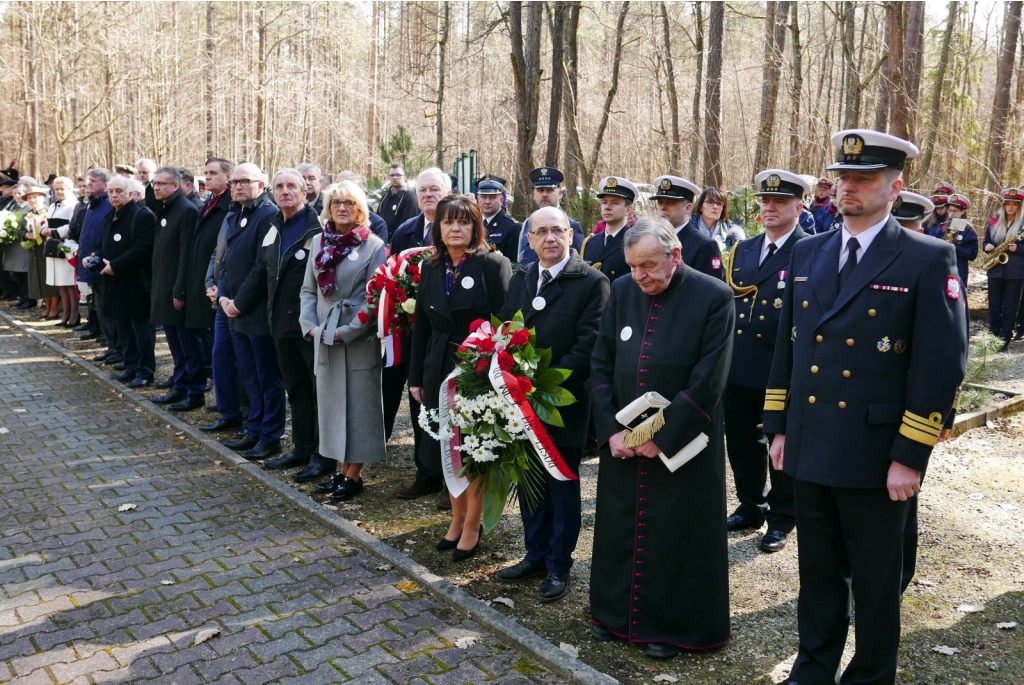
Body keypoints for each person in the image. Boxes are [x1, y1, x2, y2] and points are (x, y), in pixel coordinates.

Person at [764, 129, 968, 685]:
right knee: (818, 571)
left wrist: (911, 454)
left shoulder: (927, 256)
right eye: (841, 177)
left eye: (863, 178)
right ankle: (814, 665)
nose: (847, 187)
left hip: (876, 452)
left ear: (894, 186)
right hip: (809, 438)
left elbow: (940, 365)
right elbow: (790, 345)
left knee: (877, 581)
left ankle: (871, 675)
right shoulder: (809, 250)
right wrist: (778, 427)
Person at [588, 218, 734, 659]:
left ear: (675, 256)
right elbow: (600, 362)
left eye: (648, 265)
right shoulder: (623, 291)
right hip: (624, 445)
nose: (639, 276)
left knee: (676, 534)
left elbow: (710, 378)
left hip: (684, 446)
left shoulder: (714, 296)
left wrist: (661, 435)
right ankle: (614, 615)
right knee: (619, 526)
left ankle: (672, 628)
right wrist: (612, 430)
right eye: (632, 266)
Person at [495, 206, 609, 601]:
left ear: (572, 235)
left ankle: (560, 564)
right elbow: (508, 329)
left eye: (558, 230)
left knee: (561, 483)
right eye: (541, 232)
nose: (550, 239)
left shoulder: (592, 282)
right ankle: (535, 553)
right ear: (529, 239)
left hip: (563, 404)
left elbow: (588, 345)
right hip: (522, 403)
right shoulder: (523, 279)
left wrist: (542, 385)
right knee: (530, 480)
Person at [409, 195, 511, 561]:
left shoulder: (492, 265)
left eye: (464, 222)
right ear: (438, 227)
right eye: (448, 221)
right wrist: (416, 377)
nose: (455, 228)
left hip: (476, 369)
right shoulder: (431, 267)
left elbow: (506, 323)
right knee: (448, 447)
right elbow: (420, 325)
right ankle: (456, 518)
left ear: (475, 227)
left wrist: (491, 371)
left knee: (475, 449)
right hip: (438, 365)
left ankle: (473, 523)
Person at [723, 170, 810, 554]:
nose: (770, 208)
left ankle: (781, 517)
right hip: (739, 364)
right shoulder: (744, 249)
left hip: (782, 368)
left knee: (780, 443)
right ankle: (750, 505)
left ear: (798, 206)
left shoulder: (812, 249)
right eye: (765, 201)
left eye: (779, 201)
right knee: (741, 441)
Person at [299, 180, 387, 501]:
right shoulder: (318, 241)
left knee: (358, 407)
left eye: (349, 203)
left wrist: (345, 332)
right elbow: (308, 289)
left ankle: (355, 474)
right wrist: (309, 325)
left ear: (360, 208)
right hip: (323, 334)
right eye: (336, 203)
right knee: (333, 405)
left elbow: (374, 299)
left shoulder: (373, 245)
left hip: (356, 338)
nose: (342, 208)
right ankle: (341, 469)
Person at [206, 164, 286, 468]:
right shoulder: (236, 213)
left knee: (267, 377)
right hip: (233, 308)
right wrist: (222, 294)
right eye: (234, 182)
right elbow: (225, 261)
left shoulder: (267, 215)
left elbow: (261, 266)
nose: (238, 186)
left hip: (255, 310)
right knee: (249, 374)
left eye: (245, 182)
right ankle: (254, 428)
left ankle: (269, 435)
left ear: (262, 184)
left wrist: (238, 301)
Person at [250, 168, 328, 478]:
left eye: (292, 186)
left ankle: (323, 456)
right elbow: (262, 271)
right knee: (295, 389)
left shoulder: (318, 228)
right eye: (279, 186)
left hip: (309, 326)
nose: (285, 191)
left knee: (317, 390)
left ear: (305, 191)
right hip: (280, 324)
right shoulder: (272, 227)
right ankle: (301, 448)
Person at [388, 168, 449, 501]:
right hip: (414, 333)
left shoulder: (459, 228)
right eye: (422, 190)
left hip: (448, 335)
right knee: (420, 403)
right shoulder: (405, 232)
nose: (428, 195)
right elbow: (394, 281)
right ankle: (425, 472)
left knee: (450, 407)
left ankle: (449, 479)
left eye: (435, 189)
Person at [172, 158, 234, 415]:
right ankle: (204, 393)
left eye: (213, 173)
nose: (206, 178)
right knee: (202, 342)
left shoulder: (230, 207)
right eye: (205, 173)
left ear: (228, 177)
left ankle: (220, 399)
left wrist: (215, 283)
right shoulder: (208, 203)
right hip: (201, 280)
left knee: (218, 350)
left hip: (220, 287)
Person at [149, 167, 204, 408]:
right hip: (163, 286)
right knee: (175, 344)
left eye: (162, 184)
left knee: (188, 345)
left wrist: (179, 290)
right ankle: (180, 385)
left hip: (177, 291)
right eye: (154, 184)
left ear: (176, 186)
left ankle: (194, 391)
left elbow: (186, 256)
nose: (157, 188)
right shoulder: (164, 209)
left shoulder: (186, 211)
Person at [99, 176, 157, 388]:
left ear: (131, 194)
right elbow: (102, 243)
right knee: (123, 327)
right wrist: (95, 257)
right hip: (115, 284)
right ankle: (130, 366)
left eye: (119, 191)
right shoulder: (111, 215)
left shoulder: (142, 216)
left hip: (136, 284)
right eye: (111, 191)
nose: (114, 195)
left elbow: (142, 248)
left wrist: (115, 265)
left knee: (141, 330)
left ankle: (145, 371)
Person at [650, 175, 724, 279]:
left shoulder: (704, 245)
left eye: (670, 202)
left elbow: (712, 290)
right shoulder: (651, 239)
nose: (663, 207)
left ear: (688, 208)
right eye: (660, 202)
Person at [76, 170, 116, 357]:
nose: (89, 184)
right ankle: (112, 347)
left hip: (103, 265)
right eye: (88, 181)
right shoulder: (92, 205)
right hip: (91, 263)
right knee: (100, 308)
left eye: (93, 181)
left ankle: (116, 348)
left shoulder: (108, 205)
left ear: (105, 185)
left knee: (108, 310)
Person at [516, 167, 584, 266]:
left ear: (560, 193)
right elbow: (522, 258)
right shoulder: (528, 223)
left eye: (550, 190)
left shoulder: (571, 225)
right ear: (534, 195)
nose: (544, 194)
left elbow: (577, 264)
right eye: (540, 190)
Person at [983, 187, 1024, 350]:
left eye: (1015, 204)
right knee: (994, 305)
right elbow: (985, 241)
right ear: (1004, 205)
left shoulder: (1023, 225)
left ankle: (1005, 337)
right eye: (1008, 204)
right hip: (995, 270)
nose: (1011, 207)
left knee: (1010, 306)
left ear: (1020, 206)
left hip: (1015, 272)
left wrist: (1019, 249)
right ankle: (993, 334)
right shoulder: (994, 221)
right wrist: (987, 246)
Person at [40, 177, 80, 326]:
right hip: (53, 247)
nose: (59, 192)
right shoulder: (53, 205)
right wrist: (44, 229)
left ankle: (74, 314)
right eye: (56, 189)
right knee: (61, 283)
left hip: (66, 245)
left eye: (62, 189)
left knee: (69, 282)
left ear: (69, 190)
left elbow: (72, 226)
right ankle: (65, 313)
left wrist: (53, 232)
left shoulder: (73, 205)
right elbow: (49, 222)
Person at [581, 176, 638, 282]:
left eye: (614, 202)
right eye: (604, 202)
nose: (607, 207)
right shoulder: (590, 242)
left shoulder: (635, 243)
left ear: (628, 209)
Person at [19, 185, 58, 319]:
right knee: (39, 279)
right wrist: (26, 236)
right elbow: (20, 232)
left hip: (46, 249)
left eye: (35, 197)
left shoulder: (48, 212)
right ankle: (47, 306)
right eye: (29, 198)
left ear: (42, 197)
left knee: (48, 278)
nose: (32, 200)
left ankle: (54, 307)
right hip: (33, 250)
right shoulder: (27, 214)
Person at [926, 193, 978, 289]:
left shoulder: (969, 229)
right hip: (941, 269)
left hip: (959, 271)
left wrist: (956, 248)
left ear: (963, 212)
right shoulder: (942, 227)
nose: (951, 214)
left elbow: (972, 254)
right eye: (949, 210)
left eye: (955, 211)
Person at [333, 171, 388, 241]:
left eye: (353, 193)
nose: (348, 197)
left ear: (365, 194)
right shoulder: (336, 219)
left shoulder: (377, 224)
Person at [476, 175, 520, 262]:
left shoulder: (512, 227)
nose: (487, 202)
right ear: (478, 199)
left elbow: (513, 265)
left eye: (493, 197)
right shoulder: (473, 223)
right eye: (483, 197)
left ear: (501, 200)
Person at [691, 186, 744, 252]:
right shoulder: (688, 231)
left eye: (719, 203)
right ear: (700, 206)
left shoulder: (733, 236)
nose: (715, 207)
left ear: (723, 208)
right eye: (710, 202)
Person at [377, 163, 418, 235]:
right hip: (382, 240)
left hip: (400, 241)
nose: (395, 177)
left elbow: (408, 224)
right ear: (389, 177)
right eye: (392, 175)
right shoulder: (385, 197)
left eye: (398, 175)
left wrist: (392, 243)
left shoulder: (410, 197)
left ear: (404, 178)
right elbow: (378, 220)